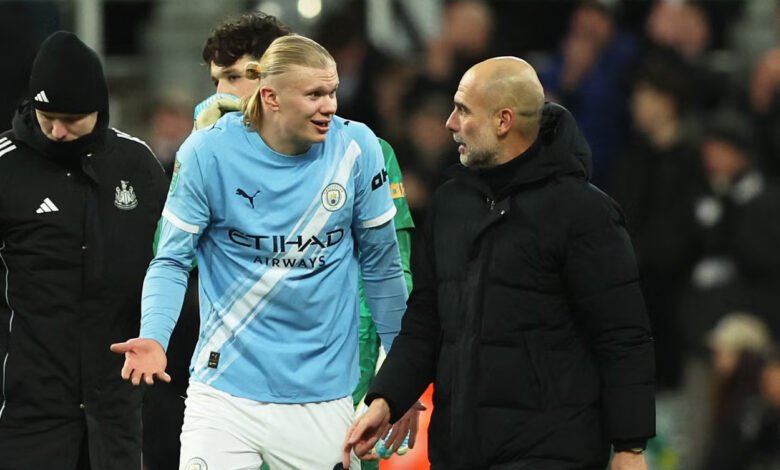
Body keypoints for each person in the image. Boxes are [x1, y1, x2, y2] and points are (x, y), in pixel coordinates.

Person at [112, 34, 415, 470]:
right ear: (270, 97)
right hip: (223, 395)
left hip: (323, 399)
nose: (330, 105)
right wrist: (155, 336)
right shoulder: (208, 151)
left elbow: (384, 270)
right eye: (314, 95)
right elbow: (172, 259)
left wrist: (399, 382)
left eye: (332, 91)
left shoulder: (359, 149)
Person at [344, 56, 656, 470]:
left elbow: (623, 336)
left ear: (503, 120)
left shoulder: (584, 213)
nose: (449, 123)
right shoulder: (452, 203)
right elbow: (426, 321)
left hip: (553, 450)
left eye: (463, 109)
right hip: (459, 451)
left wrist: (630, 447)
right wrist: (388, 398)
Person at [0, 31, 168, 469]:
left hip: (115, 412)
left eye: (71, 119)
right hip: (24, 413)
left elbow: (170, 267)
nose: (56, 131)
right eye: (46, 116)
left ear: (100, 108)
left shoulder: (138, 165)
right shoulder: (5, 166)